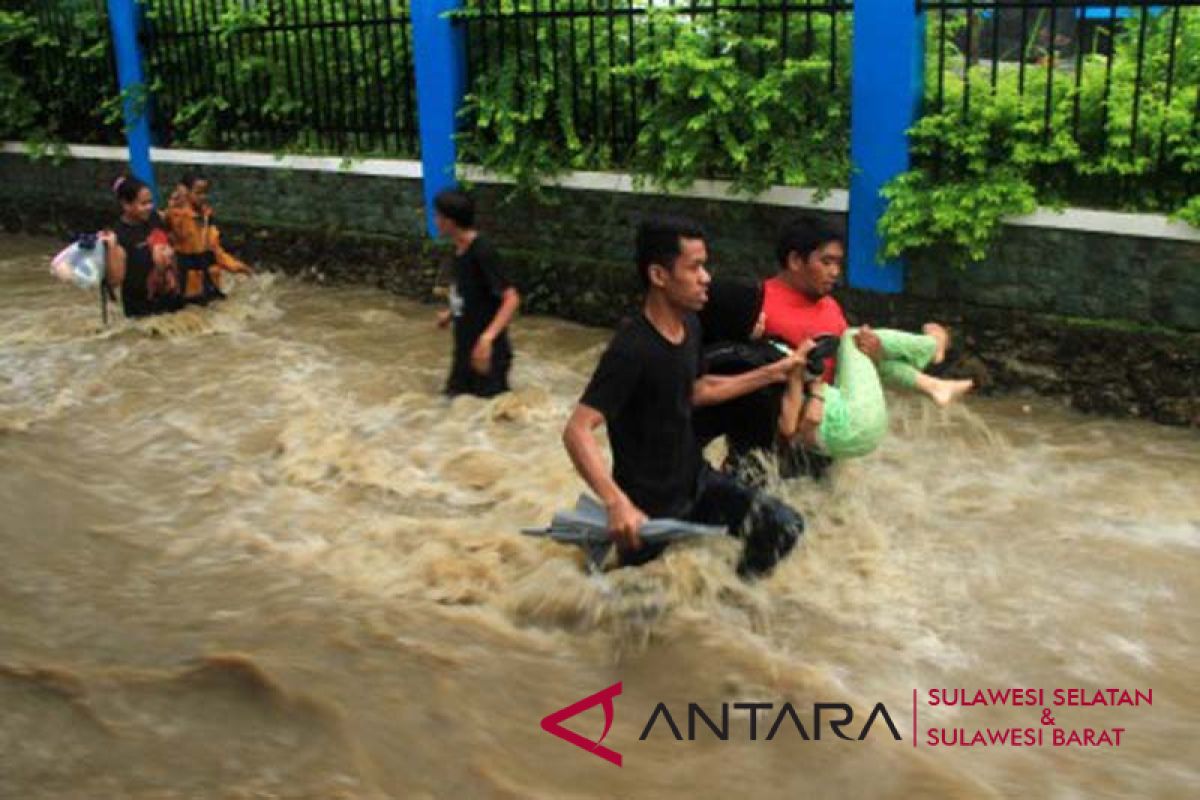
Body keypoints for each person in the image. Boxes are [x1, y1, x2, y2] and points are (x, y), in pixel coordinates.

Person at [561, 215, 807, 578]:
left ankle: (731, 601)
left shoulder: (690, 325)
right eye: (695, 267)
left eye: (704, 266)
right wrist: (616, 503)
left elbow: (697, 390)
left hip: (696, 481)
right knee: (639, 608)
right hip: (647, 507)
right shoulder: (631, 348)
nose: (706, 277)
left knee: (783, 525)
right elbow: (578, 430)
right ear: (659, 276)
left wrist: (771, 374)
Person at [762, 217, 974, 459]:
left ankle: (932, 376)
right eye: (826, 262)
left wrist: (874, 354)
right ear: (795, 260)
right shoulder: (758, 304)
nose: (835, 272)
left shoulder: (828, 305)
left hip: (827, 426)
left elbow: (846, 372)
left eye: (838, 263)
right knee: (852, 338)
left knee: (857, 343)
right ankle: (933, 348)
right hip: (785, 434)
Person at [692, 278, 833, 482]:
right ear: (736, 321)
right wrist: (810, 387)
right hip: (760, 465)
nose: (764, 317)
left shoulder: (707, 350)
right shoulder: (740, 364)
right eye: (756, 315)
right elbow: (787, 428)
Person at [432, 189, 520, 398]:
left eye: (437, 216)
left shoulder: (483, 251)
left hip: (487, 353)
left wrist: (487, 339)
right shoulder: (459, 249)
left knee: (489, 418)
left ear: (450, 221)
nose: (435, 220)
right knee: (454, 412)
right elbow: (471, 293)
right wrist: (451, 314)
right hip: (465, 349)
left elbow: (512, 298)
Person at [163, 173, 252, 304]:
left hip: (209, 281)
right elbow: (170, 220)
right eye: (198, 193)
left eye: (205, 193)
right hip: (188, 285)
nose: (202, 197)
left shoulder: (206, 216)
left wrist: (236, 266)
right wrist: (178, 199)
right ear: (186, 192)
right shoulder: (178, 215)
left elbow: (216, 250)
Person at [105, 176, 184, 319]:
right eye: (143, 203)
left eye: (150, 202)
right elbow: (115, 280)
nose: (149, 207)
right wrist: (111, 247)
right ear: (126, 204)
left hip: (169, 297)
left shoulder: (154, 218)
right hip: (141, 308)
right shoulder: (119, 236)